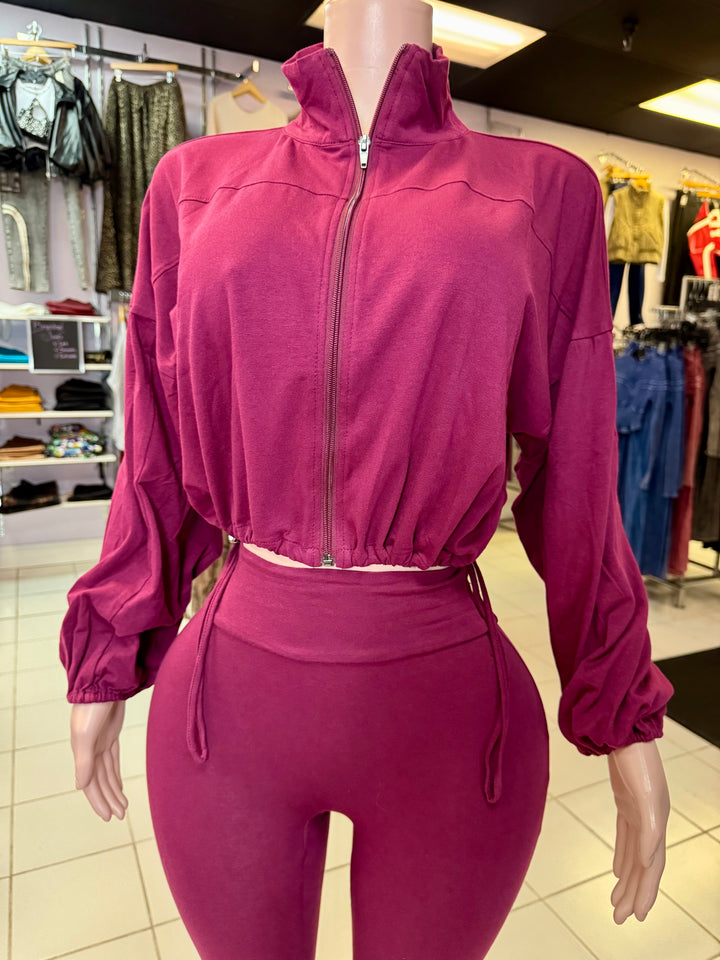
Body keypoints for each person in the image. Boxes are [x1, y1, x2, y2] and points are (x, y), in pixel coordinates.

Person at [60, 0, 673, 957]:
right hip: (231, 702)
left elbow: (580, 481)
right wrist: (109, 643)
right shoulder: (193, 183)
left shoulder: (542, 190)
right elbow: (159, 453)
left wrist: (621, 709)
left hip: (448, 711)